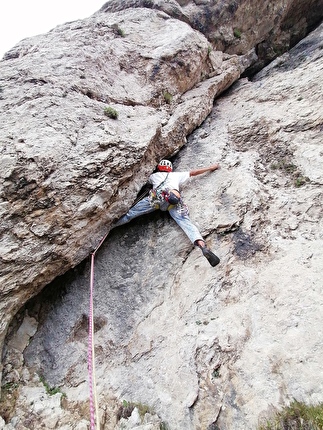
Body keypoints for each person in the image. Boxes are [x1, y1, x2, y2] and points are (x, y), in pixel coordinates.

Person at [113, 160, 220, 266]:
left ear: (159, 167)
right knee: (187, 224)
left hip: (156, 200)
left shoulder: (153, 176)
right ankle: (202, 245)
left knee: (130, 214)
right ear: (170, 168)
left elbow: (143, 182)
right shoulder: (176, 175)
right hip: (173, 202)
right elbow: (193, 173)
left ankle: (110, 227)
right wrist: (210, 167)